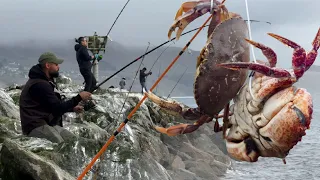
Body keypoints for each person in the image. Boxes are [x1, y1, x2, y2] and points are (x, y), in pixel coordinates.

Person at [19, 52, 92, 144]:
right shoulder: (40, 84)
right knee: (61, 144)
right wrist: (78, 98)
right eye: (56, 64)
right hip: (35, 125)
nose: (58, 67)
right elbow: (57, 108)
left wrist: (72, 108)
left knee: (74, 141)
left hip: (46, 123)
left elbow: (52, 105)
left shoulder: (45, 81)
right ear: (47, 65)